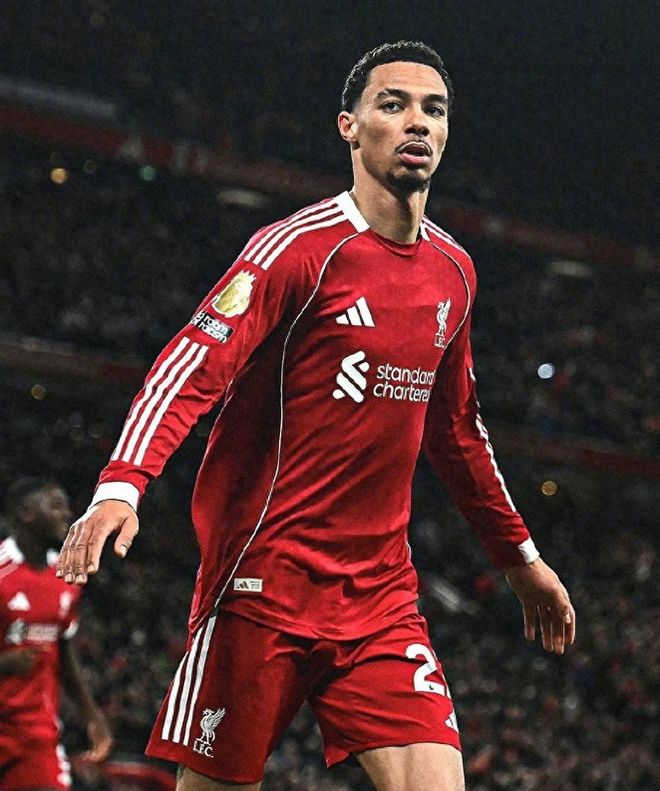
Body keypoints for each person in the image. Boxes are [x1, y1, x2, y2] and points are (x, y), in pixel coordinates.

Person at [57, 41, 575, 791]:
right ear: (348, 126)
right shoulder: (296, 250)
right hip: (262, 586)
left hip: (381, 600)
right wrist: (121, 485)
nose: (417, 122)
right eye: (393, 104)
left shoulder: (454, 272)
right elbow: (192, 366)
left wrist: (520, 559)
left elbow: (458, 431)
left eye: (433, 109)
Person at [1, 477, 113, 791]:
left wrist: (92, 714)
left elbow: (64, 651)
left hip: (34, 733)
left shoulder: (66, 578)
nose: (66, 514)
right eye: (55, 506)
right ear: (26, 512)